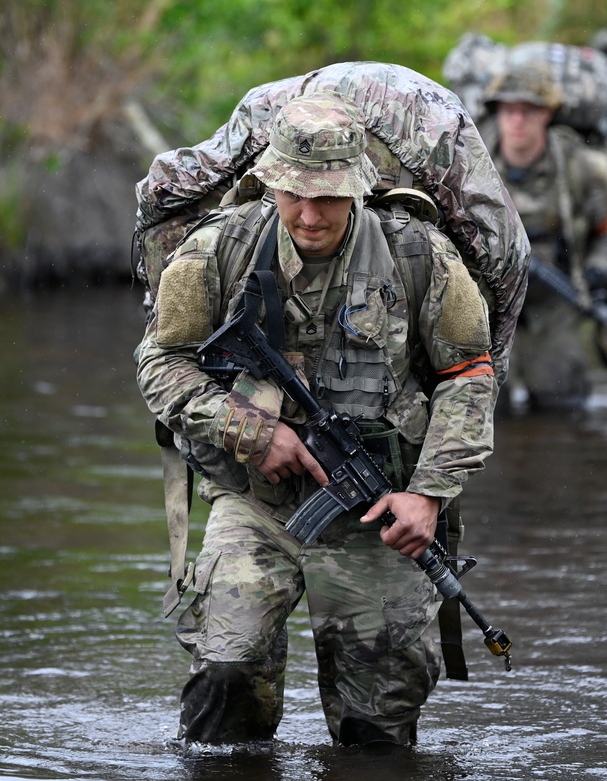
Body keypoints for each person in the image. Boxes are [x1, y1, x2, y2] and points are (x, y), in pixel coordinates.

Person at [135, 92, 497, 746]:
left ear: (357, 186)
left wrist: (428, 494)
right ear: (272, 179)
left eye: (327, 195)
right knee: (228, 669)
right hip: (258, 497)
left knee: (379, 721)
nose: (308, 212)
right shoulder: (221, 248)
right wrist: (248, 428)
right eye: (293, 193)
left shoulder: (418, 257)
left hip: (378, 508)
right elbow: (161, 362)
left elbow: (468, 374)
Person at [482, 64, 607, 412]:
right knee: (482, 412)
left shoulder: (584, 169)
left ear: (547, 113)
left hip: (555, 300)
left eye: (528, 111)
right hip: (487, 302)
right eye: (509, 110)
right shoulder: (468, 165)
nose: (517, 120)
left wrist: (597, 271)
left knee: (561, 402)